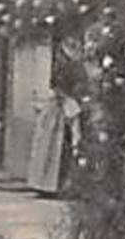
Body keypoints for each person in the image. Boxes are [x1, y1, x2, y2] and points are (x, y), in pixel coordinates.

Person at [28, 38, 87, 196]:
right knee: (52, 145)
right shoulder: (63, 66)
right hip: (59, 107)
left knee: (62, 146)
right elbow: (57, 86)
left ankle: (58, 185)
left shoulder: (75, 67)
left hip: (66, 105)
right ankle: (47, 185)